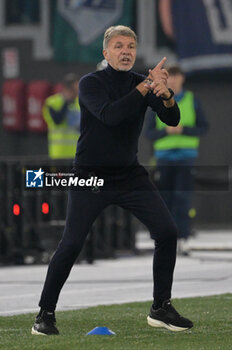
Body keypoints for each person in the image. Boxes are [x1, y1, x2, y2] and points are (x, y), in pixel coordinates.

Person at [32, 25, 193, 335]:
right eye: (118, 46)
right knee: (72, 243)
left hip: (129, 175)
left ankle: (161, 307)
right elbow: (110, 115)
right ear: (105, 53)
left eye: (130, 46)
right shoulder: (90, 83)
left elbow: (172, 119)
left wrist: (167, 96)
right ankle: (45, 313)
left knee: (167, 231)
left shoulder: (140, 83)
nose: (125, 51)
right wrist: (147, 87)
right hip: (90, 176)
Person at [146, 64, 208, 255]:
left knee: (182, 198)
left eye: (176, 76)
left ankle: (183, 237)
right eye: (169, 76)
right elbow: (149, 133)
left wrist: (184, 130)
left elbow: (203, 127)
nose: (172, 80)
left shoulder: (192, 100)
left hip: (185, 158)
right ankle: (164, 238)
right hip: (164, 159)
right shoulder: (156, 100)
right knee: (164, 200)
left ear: (182, 78)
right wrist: (166, 131)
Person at [43, 73, 80, 159]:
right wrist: (66, 102)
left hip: (78, 153)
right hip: (59, 154)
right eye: (73, 89)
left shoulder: (80, 102)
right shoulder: (52, 102)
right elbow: (57, 120)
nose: (76, 92)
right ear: (66, 89)